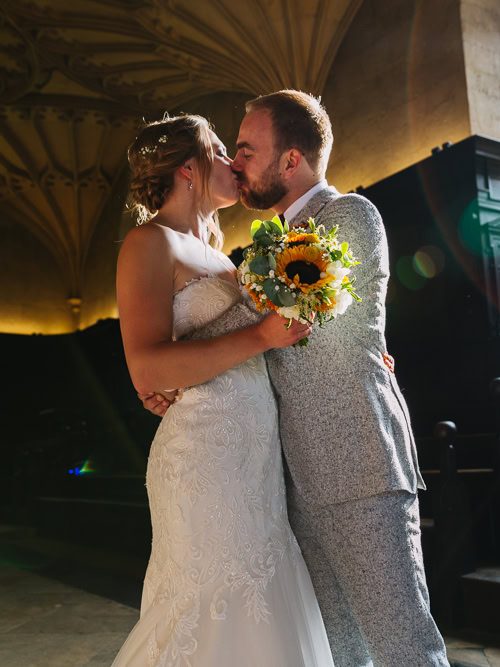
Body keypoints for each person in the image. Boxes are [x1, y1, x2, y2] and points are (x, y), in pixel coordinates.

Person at [143, 92, 450, 667]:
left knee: (404, 645)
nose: (236, 163)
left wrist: (177, 363)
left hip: (356, 463)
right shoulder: (263, 246)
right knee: (340, 654)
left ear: (291, 161)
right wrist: (178, 368)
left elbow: (279, 311)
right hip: (289, 484)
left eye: (247, 149)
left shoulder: (346, 216)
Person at [111, 113, 335, 666]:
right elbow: (147, 368)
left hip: (253, 461)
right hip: (204, 460)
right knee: (210, 610)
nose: (234, 161)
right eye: (219, 150)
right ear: (188, 168)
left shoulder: (221, 255)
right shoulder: (149, 242)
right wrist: (261, 335)